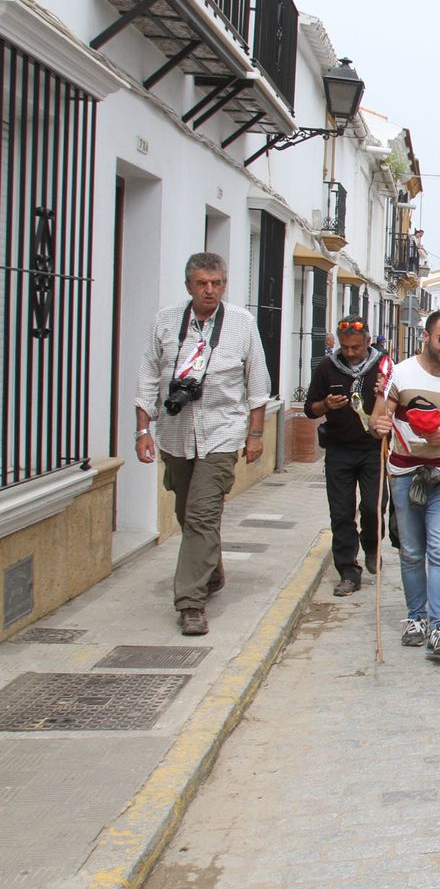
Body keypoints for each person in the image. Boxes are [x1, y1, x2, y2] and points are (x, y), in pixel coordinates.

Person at [134, 252, 270, 636]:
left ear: (224, 285)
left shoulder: (242, 323)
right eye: (202, 284)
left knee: (201, 515)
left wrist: (255, 435)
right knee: (186, 512)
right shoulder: (164, 321)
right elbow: (147, 377)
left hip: (221, 434)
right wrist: (142, 431)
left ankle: (190, 603)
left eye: (217, 284)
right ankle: (211, 573)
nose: (210, 290)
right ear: (189, 286)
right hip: (175, 435)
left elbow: (257, 383)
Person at [369, 310, 440, 657]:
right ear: (426, 336)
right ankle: (415, 618)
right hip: (404, 471)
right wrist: (378, 425)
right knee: (411, 551)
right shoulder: (401, 374)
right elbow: (377, 419)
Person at [305, 314, 385, 596]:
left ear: (368, 341)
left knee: (373, 507)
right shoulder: (327, 367)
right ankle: (348, 572)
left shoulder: (384, 367)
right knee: (341, 513)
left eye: (356, 347)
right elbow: (310, 408)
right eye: (345, 347)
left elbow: (399, 403)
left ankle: (372, 546)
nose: (350, 353)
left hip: (374, 450)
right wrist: (326, 405)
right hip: (339, 450)